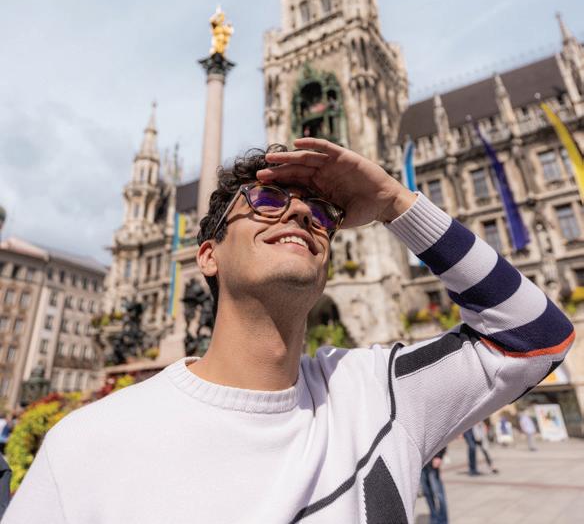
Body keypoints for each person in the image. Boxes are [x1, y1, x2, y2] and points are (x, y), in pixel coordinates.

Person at [4, 138, 575, 523]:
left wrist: (394, 203)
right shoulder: (86, 445)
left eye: (322, 214)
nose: (301, 214)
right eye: (267, 199)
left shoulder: (376, 393)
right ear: (207, 255)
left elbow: (536, 334)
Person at [420, 448, 448, 524]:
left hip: (432, 461)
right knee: (427, 493)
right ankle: (434, 518)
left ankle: (443, 521)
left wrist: (439, 456)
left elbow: (441, 441)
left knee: (438, 494)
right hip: (421, 463)